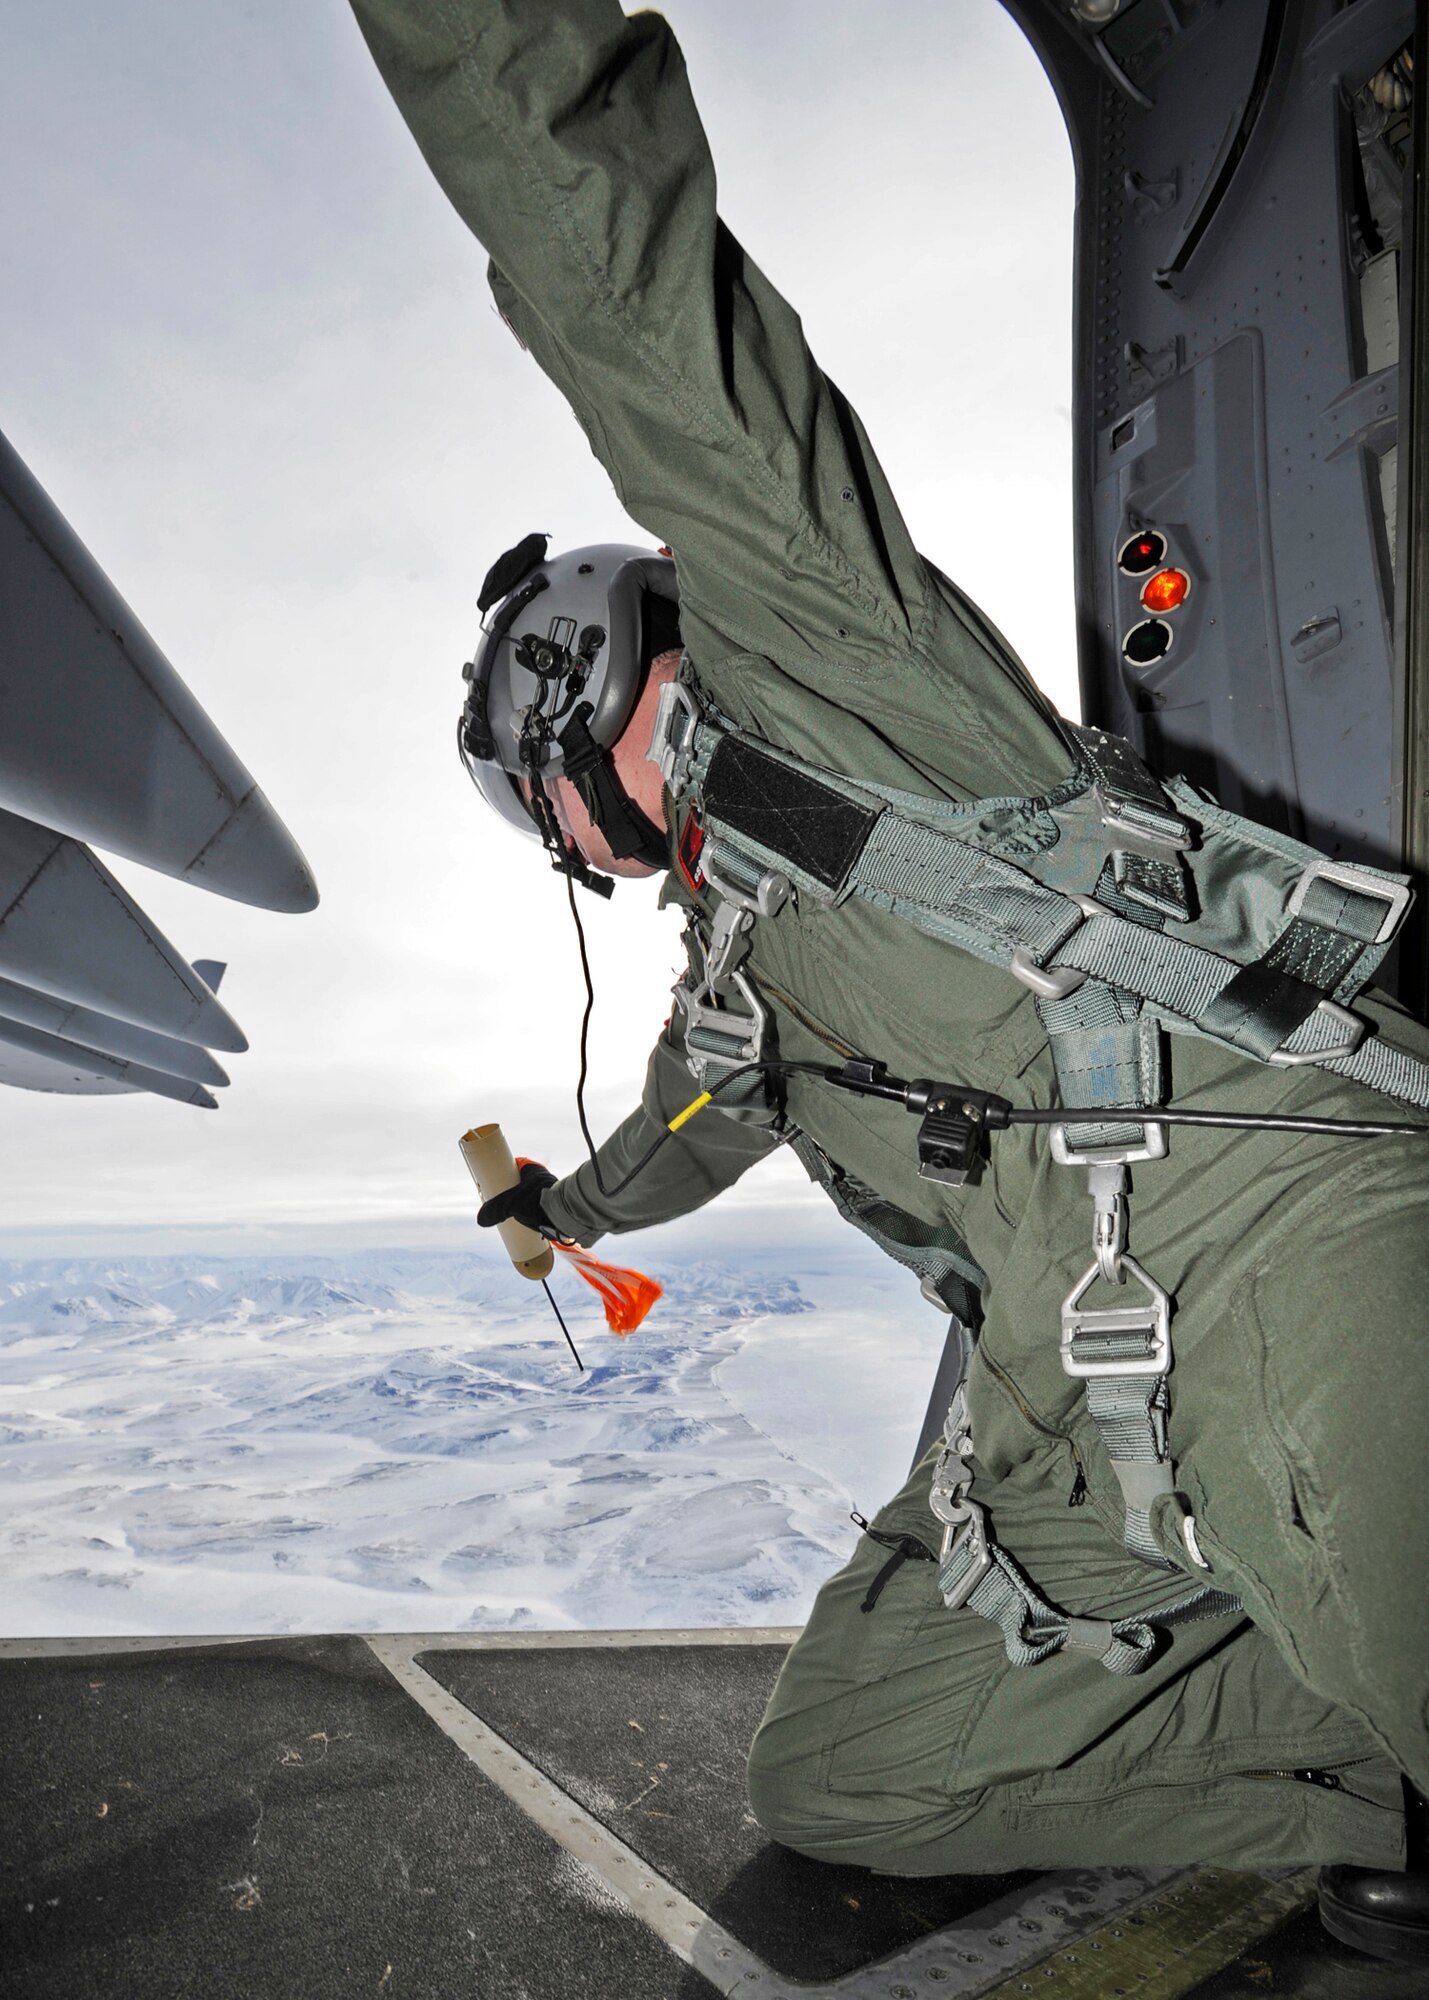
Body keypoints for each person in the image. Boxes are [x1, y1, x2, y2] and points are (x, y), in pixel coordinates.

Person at [350, 0, 1429, 1963]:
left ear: (568, 733)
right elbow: (692, 1113)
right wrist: (558, 1211)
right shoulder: (745, 949)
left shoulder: (818, 672)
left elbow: (628, 288)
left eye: (546, 821)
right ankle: (1365, 1764)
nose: (572, 865)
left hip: (1275, 1224)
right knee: (847, 1774)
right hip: (1092, 1405)